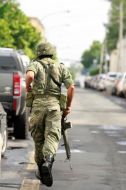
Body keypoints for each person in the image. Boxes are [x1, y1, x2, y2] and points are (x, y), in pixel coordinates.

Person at [26, 42, 75, 187]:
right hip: (54, 107)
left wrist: (28, 85)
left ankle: (41, 168)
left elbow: (29, 76)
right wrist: (68, 107)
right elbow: (71, 87)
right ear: (52, 53)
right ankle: (48, 161)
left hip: (37, 106)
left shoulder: (35, 65)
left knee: (38, 139)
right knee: (52, 136)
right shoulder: (60, 67)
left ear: (38, 53)